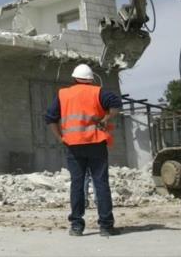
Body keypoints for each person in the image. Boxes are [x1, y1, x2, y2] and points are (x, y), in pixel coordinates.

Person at [44, 63, 121, 237]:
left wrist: (60, 138)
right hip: (96, 143)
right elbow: (116, 104)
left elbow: (50, 118)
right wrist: (106, 118)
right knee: (100, 184)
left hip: (73, 146)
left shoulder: (63, 94)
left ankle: (77, 226)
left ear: (74, 78)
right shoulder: (98, 92)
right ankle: (106, 227)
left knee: (77, 185)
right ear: (90, 79)